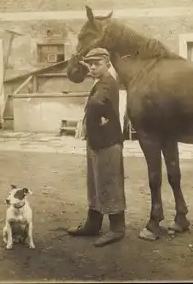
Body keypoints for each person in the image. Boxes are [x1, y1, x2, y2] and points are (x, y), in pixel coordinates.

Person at [66, 47, 126, 247]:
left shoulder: (107, 83)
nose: (92, 67)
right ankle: (93, 224)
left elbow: (96, 103)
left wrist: (92, 117)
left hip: (108, 143)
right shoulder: (100, 81)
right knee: (95, 184)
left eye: (97, 63)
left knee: (110, 184)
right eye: (90, 63)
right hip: (96, 141)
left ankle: (117, 228)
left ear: (108, 64)